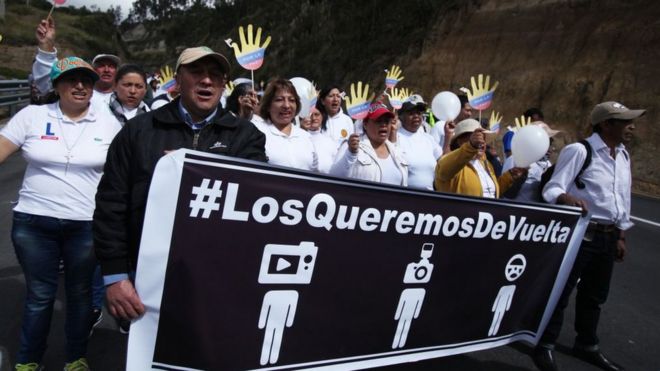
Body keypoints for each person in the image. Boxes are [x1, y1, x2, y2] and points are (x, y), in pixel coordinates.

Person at [93, 46, 267, 325]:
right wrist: (115, 276)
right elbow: (111, 205)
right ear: (178, 79)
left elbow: (254, 200)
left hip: (221, 276)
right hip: (148, 278)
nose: (207, 80)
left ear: (224, 84)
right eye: (197, 72)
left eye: (215, 75)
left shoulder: (247, 137)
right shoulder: (137, 132)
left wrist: (192, 167)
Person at [0, 57, 122, 371]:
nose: (80, 86)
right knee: (40, 295)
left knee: (80, 295)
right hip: (33, 223)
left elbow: (125, 170)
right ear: (57, 85)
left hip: (84, 225)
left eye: (86, 80)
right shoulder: (32, 116)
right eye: (71, 79)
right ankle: (27, 360)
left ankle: (75, 358)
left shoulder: (108, 122)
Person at [533, 101, 645, 371]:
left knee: (595, 295)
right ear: (606, 124)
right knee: (561, 291)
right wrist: (564, 196)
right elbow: (551, 188)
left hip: (607, 236)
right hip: (581, 234)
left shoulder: (622, 155)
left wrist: (620, 235)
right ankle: (544, 344)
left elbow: (621, 198)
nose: (631, 126)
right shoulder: (580, 151)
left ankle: (587, 344)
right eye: (624, 121)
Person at [32, 17, 120, 109]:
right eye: (101, 65)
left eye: (111, 66)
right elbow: (48, 78)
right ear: (93, 70)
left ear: (117, 71)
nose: (106, 70)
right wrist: (46, 44)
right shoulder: (76, 95)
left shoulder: (127, 97)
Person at [434, 119, 524, 197]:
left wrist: (510, 176)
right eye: (474, 139)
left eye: (482, 139)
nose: (480, 143)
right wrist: (471, 146)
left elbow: (490, 192)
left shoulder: (486, 163)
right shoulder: (451, 161)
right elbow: (443, 172)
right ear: (459, 142)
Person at [331, 102, 408, 186]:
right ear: (365, 124)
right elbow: (334, 178)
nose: (383, 125)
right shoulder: (350, 146)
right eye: (378, 121)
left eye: (387, 121)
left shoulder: (397, 151)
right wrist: (350, 154)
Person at [254, 78, 318, 171]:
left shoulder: (306, 137)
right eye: (279, 100)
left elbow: (315, 175)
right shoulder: (256, 132)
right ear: (268, 105)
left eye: (292, 100)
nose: (286, 105)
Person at [502, 122, 560, 203]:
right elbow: (505, 192)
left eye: (550, 143)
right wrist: (519, 181)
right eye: (546, 142)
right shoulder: (514, 159)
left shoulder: (547, 164)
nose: (551, 149)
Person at [395, 96, 441, 190]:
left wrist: (448, 136)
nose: (416, 116)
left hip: (429, 198)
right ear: (401, 116)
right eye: (411, 113)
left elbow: (443, 162)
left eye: (419, 113)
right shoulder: (395, 138)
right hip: (405, 198)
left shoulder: (428, 138)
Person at [306, 106, 337, 174]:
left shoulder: (330, 142)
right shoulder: (299, 138)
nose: (313, 118)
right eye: (310, 115)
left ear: (322, 117)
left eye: (317, 114)